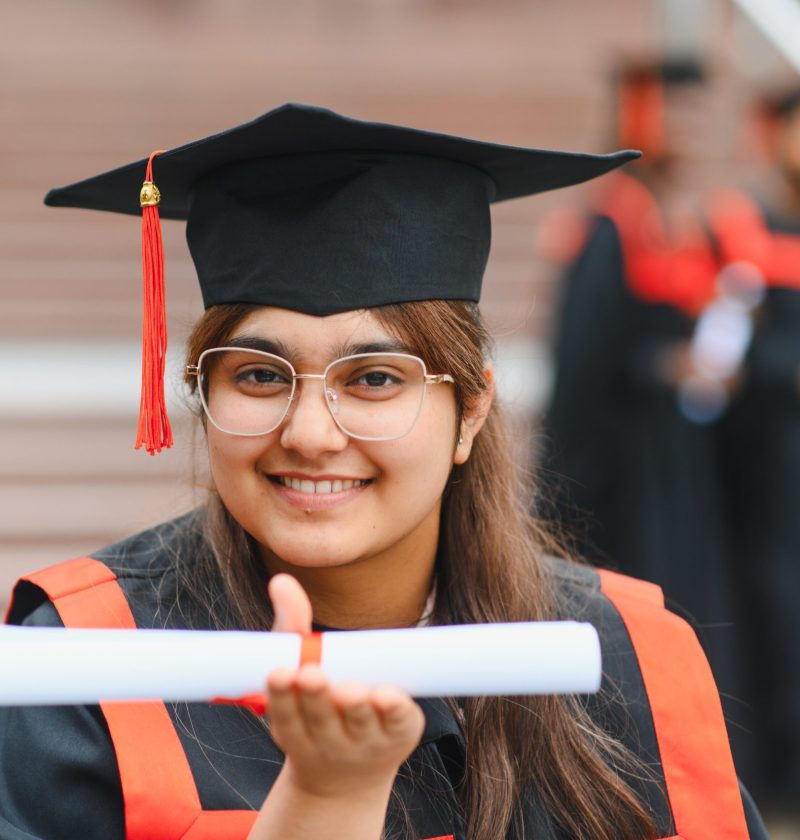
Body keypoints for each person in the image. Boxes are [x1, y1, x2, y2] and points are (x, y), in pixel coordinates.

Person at [0, 104, 766, 839]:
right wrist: (327, 799)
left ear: (469, 411)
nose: (308, 434)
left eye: (373, 379)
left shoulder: (618, 655)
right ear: (200, 396)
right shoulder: (88, 664)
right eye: (259, 376)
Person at [539, 58, 747, 743]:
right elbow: (584, 365)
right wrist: (665, 367)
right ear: (638, 119)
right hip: (619, 475)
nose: (688, 128)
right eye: (673, 112)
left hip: (677, 464)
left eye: (697, 113)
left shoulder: (687, 223)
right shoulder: (607, 231)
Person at [709, 87, 800, 816]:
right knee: (777, 609)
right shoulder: (745, 227)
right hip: (771, 458)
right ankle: (776, 774)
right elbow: (726, 355)